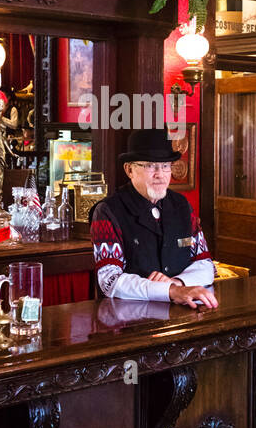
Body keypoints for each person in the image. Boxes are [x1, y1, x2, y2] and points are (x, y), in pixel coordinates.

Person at [90, 128, 217, 308]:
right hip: (128, 320)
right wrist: (170, 291)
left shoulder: (182, 205)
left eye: (165, 166)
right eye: (150, 165)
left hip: (183, 313)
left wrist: (178, 284)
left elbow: (205, 265)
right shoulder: (108, 211)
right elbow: (110, 281)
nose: (160, 174)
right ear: (129, 170)